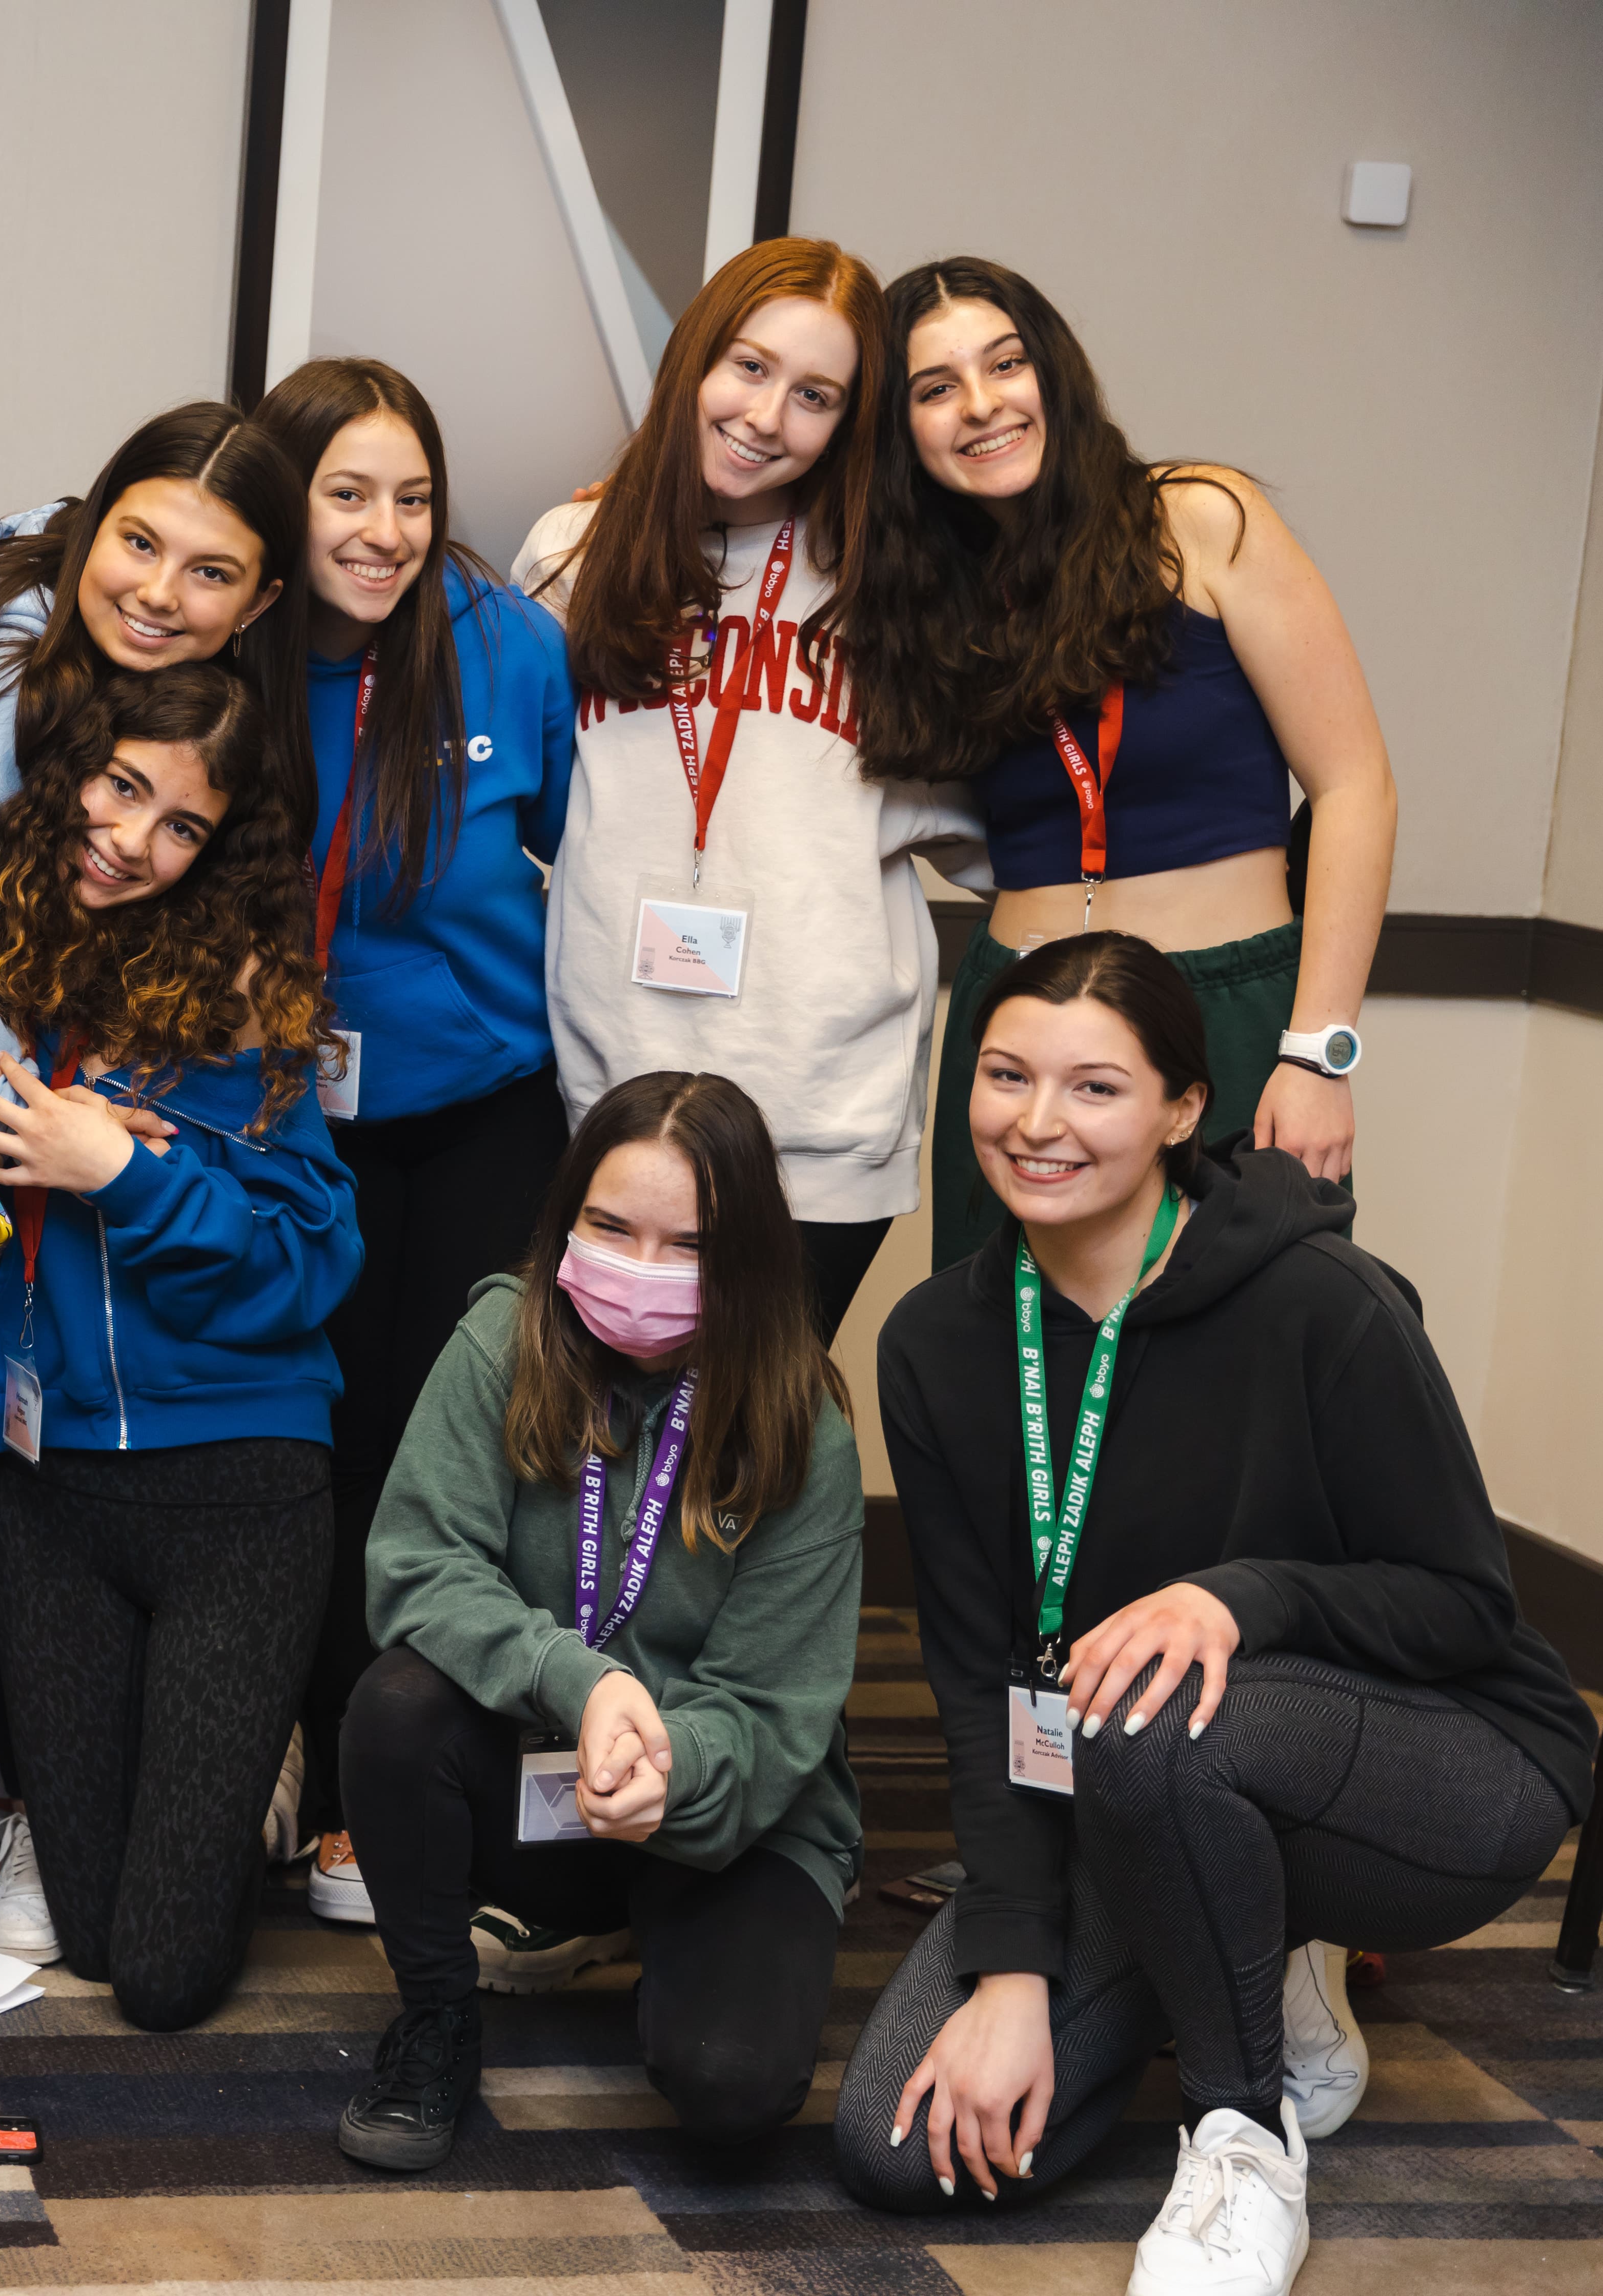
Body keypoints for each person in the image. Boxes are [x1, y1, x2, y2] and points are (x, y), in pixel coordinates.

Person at [833, 934, 1589, 2296]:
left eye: (1096, 1088)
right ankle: (1252, 1926)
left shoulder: (1321, 1301)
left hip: (1448, 1760)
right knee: (901, 2143)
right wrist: (1009, 1968)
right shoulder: (937, 1346)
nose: (1038, 1123)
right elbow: (974, 1682)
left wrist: (1236, 1598)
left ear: (1186, 1109)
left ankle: (1242, 2134)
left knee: (1148, 1726)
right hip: (1134, 1782)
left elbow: (1468, 1609)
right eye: (1006, 1076)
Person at [0, 402, 309, 1926]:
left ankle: (134, 1751)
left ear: (257, 606)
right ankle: (22, 1761)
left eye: (210, 571)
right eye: (139, 541)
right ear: (89, 519)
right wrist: (50, 1113)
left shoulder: (192, 722)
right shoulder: (9, 668)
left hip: (86, 1153)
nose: (162, 590)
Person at [0, 663, 361, 2030]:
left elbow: (307, 1268)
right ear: (66, 775)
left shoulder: (241, 1014)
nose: (133, 838)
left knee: (167, 1981)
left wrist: (121, 1171)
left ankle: (252, 1765)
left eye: (183, 824)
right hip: (48, 1502)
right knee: (95, 1941)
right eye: (121, 787)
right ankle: (202, 1777)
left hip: (237, 1491)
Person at [331, 1071, 864, 2170]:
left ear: (752, 1256)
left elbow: (775, 1705)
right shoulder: (501, 1338)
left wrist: (679, 1765)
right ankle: (436, 2018)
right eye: (611, 1228)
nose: (642, 1270)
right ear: (564, 1218)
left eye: (690, 1245)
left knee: (734, 2090)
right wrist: (584, 1682)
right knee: (395, 1704)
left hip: (730, 1811)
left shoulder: (805, 1422)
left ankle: (653, 1926)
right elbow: (415, 1565)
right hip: (545, 1775)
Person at [856, 258, 1397, 1273]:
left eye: (1004, 363)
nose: (981, 405)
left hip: (1225, 1010)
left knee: (1242, 1370)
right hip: (1017, 1019)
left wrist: (1320, 1048)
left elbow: (1355, 785)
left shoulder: (1200, 519)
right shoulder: (922, 597)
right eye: (935, 388)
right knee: (1005, 1369)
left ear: (1051, 373)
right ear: (900, 431)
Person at [516, 237, 989, 1341]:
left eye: (816, 394)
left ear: (851, 422)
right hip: (610, 1089)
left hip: (818, 1111)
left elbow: (1002, 834)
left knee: (756, 1452)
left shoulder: (896, 588)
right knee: (595, 1447)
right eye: (749, 366)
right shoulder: (570, 552)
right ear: (693, 360)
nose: (769, 416)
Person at [247, 357, 580, 1926]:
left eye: (412, 497)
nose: (382, 531)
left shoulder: (503, 648)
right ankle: (293, 1744)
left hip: (478, 1104)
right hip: (268, 1112)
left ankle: (411, 1774)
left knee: (441, 1447)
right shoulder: (228, 641)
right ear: (281, 496)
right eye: (345, 493)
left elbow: (579, 861)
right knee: (303, 1434)